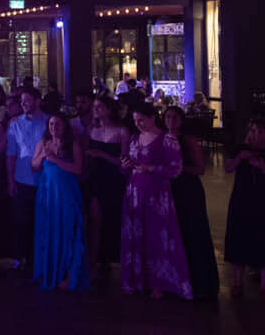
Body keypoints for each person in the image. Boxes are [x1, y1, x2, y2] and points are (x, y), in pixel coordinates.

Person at [120, 101, 189, 298]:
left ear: (152, 118)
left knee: (156, 235)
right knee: (136, 233)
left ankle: (158, 283)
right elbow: (131, 162)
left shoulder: (167, 139)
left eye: (142, 120)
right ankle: (138, 279)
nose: (138, 124)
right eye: (135, 121)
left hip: (156, 194)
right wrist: (127, 165)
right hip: (135, 191)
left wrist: (150, 168)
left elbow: (176, 169)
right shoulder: (135, 138)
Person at [223, 118, 265, 298]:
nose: (256, 135)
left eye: (260, 131)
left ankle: (264, 286)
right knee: (239, 238)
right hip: (241, 200)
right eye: (252, 131)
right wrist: (239, 158)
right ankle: (237, 282)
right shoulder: (240, 149)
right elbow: (227, 168)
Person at [164, 105, 220, 301]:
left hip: (188, 190)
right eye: (168, 117)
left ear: (181, 120)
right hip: (168, 189)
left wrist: (179, 168)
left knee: (193, 231)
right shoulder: (162, 139)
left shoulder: (188, 141)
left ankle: (199, 280)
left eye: (174, 117)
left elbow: (200, 169)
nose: (171, 121)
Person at [30, 112, 87, 290]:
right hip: (48, 192)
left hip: (66, 192)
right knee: (48, 229)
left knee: (68, 229)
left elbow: (78, 169)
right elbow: (34, 166)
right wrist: (42, 156)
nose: (54, 128)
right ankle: (47, 271)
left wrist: (55, 159)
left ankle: (67, 274)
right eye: (51, 124)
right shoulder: (43, 143)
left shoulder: (72, 144)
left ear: (64, 126)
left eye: (58, 124)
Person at [3, 87, 48, 276]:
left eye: (27, 100)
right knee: (22, 221)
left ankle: (39, 259)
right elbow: (11, 154)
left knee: (42, 221)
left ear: (37, 101)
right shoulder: (15, 124)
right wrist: (10, 180)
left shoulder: (48, 122)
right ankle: (20, 258)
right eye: (22, 101)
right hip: (22, 178)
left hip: (44, 179)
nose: (23, 104)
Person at [81, 98, 127, 276]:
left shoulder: (121, 131)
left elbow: (124, 162)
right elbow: (85, 154)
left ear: (109, 109)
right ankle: (93, 261)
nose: (95, 109)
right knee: (95, 219)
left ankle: (106, 259)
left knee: (110, 219)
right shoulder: (91, 129)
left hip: (113, 179)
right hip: (94, 178)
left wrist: (101, 154)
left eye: (99, 107)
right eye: (94, 107)